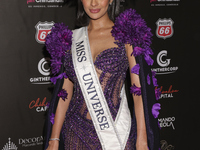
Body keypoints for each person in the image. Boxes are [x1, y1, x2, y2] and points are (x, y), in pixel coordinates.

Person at [44, 0, 161, 150]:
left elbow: (139, 93)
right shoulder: (71, 40)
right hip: (75, 132)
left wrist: (142, 139)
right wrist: (54, 139)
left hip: (116, 132)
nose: (94, 3)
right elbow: (63, 94)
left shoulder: (127, 36)